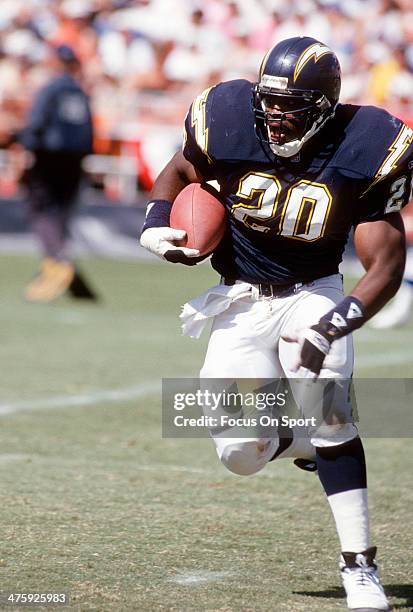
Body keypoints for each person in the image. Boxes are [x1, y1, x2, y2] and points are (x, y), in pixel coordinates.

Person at [140, 36, 412, 611]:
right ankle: (299, 436)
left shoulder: (366, 144)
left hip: (312, 291)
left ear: (323, 106)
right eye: (268, 101)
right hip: (237, 299)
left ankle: (359, 566)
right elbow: (182, 168)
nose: (273, 114)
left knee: (326, 392)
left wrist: (332, 325)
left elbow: (385, 265)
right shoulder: (227, 119)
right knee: (239, 452)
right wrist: (156, 221)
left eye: (290, 104)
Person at [18, 44, 96, 302]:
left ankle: (58, 260)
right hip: (74, 160)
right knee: (62, 211)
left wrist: (25, 148)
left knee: (40, 209)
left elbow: (36, 124)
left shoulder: (50, 89)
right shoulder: (79, 92)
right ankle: (59, 259)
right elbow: (89, 133)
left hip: (47, 157)